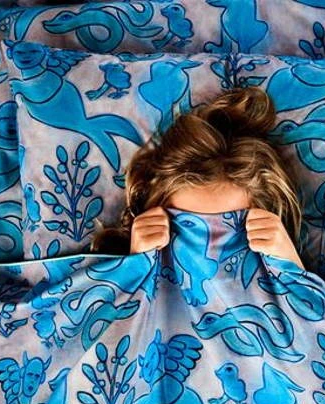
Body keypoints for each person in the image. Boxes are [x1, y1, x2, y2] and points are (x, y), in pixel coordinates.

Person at [90, 85, 305, 269]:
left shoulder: (277, 273)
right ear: (154, 212)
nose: (207, 254)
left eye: (229, 229)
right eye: (187, 227)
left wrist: (291, 267)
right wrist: (136, 264)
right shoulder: (133, 268)